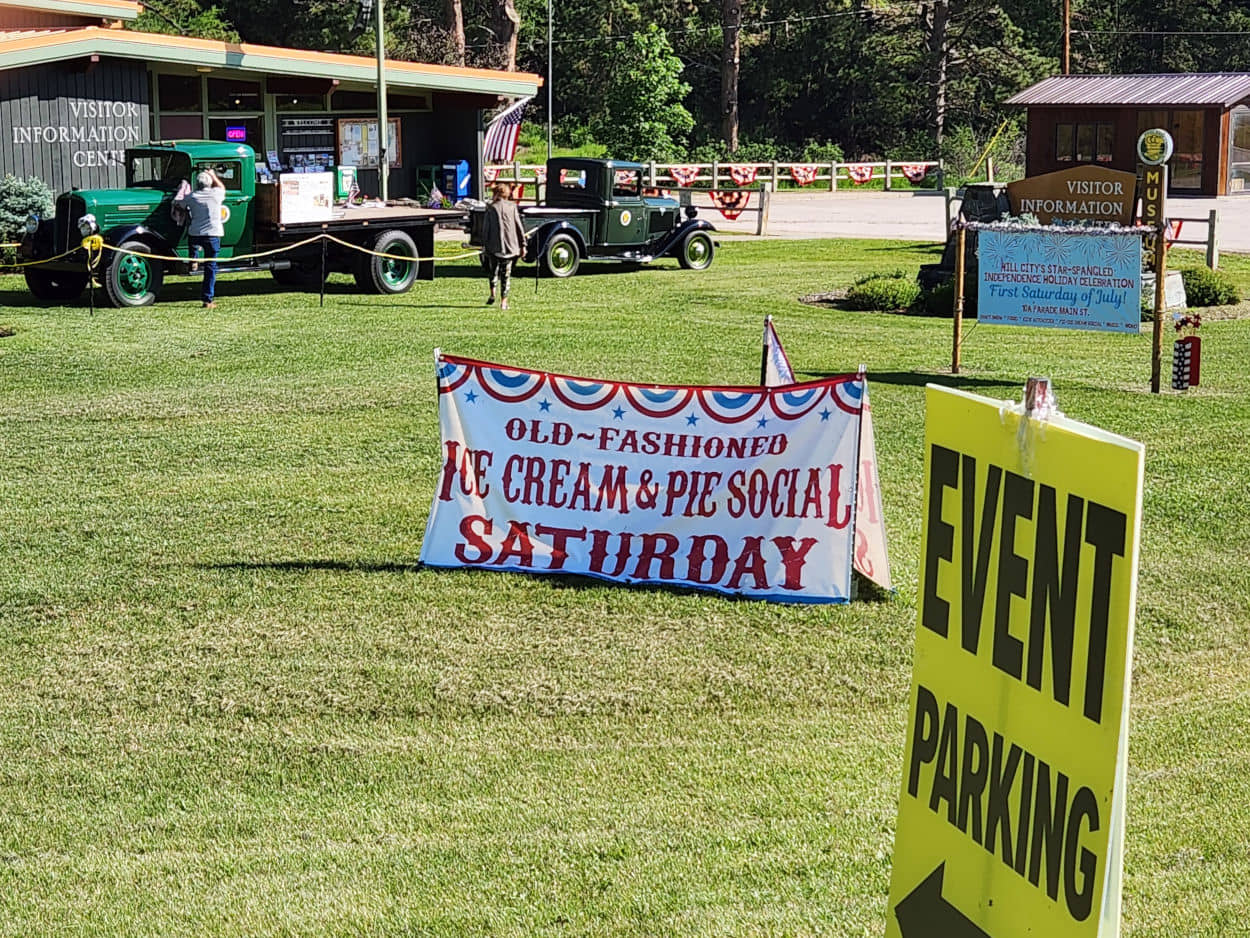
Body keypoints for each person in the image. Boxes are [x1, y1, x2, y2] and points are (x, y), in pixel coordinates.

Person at [177, 168, 225, 308]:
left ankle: (194, 258)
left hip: (195, 234)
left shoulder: (192, 197)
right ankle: (207, 300)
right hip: (212, 234)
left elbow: (180, 204)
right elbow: (221, 187)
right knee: (210, 267)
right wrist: (213, 175)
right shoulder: (216, 194)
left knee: (193, 242)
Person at [482, 182, 526, 310]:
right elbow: (519, 227)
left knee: (493, 271)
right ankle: (504, 302)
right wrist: (523, 245)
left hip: (494, 246)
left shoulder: (491, 208)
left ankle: (492, 294)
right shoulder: (512, 207)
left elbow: (486, 229)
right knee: (506, 274)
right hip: (510, 247)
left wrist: (484, 244)